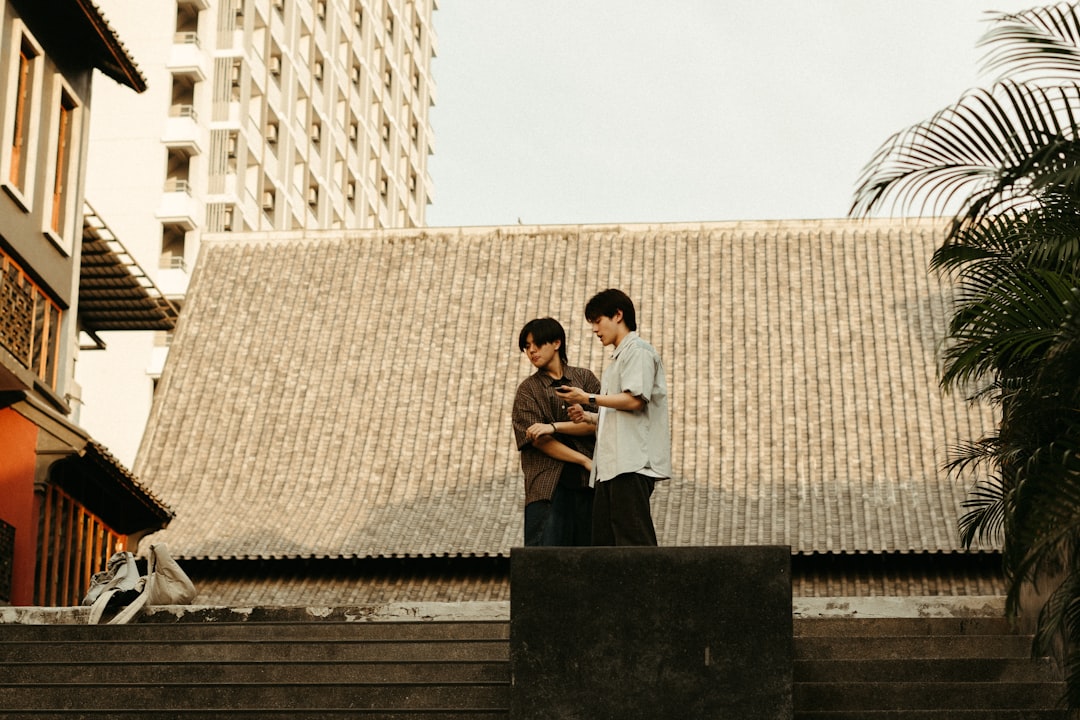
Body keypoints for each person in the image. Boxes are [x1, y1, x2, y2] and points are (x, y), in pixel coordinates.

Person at [557, 289, 671, 546]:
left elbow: (634, 400)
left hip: (631, 463)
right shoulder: (616, 362)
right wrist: (589, 417)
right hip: (610, 466)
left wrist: (587, 398)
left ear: (618, 315)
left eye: (598, 321)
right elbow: (621, 415)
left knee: (633, 541)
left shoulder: (638, 351)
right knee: (605, 545)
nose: (595, 329)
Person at [512, 317, 601, 546]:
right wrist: (584, 460)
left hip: (589, 485)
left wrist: (554, 427)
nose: (531, 351)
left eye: (537, 344)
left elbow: (601, 423)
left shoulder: (585, 379)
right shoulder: (527, 391)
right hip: (547, 487)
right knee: (545, 559)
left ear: (556, 343)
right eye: (527, 347)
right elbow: (539, 440)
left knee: (593, 557)